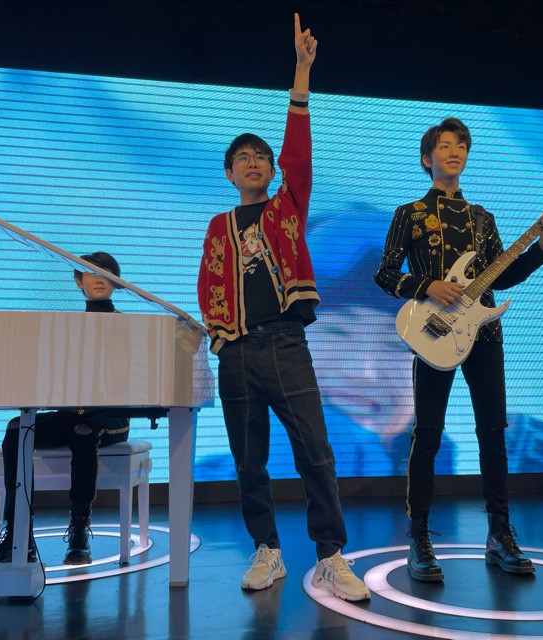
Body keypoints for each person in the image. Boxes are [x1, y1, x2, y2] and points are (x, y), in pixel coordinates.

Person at [197, 13, 369, 601]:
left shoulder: (287, 206)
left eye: (261, 158)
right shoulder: (219, 225)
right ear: (229, 173)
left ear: (272, 172)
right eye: (242, 158)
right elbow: (208, 285)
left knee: (315, 453)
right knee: (249, 461)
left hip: (286, 344)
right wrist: (222, 337)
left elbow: (298, 151)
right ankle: (266, 550)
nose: (253, 162)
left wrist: (301, 71)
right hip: (237, 352)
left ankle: (330, 555)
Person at [375, 117, 543, 582]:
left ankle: (499, 533)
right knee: (428, 434)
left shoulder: (483, 218)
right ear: (427, 158)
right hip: (433, 333)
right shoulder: (410, 213)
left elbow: (503, 275)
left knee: (493, 432)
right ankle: (419, 536)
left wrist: (542, 241)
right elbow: (385, 274)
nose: (454, 151)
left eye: (461, 145)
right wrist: (427, 285)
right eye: (444, 146)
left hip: (484, 335)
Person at [0, 251, 130, 565]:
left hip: (110, 416)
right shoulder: (66, 327)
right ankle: (18, 533)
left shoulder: (128, 326)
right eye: (90, 272)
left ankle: (79, 529)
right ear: (79, 282)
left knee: (83, 430)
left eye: (105, 272)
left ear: (116, 282)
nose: (98, 278)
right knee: (17, 429)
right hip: (71, 413)